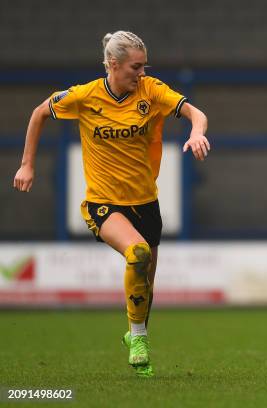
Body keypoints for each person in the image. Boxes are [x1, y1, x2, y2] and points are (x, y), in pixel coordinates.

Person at [13, 31, 210, 378]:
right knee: (138, 253)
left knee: (145, 284)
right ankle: (138, 340)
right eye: (136, 66)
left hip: (146, 203)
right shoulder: (84, 96)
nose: (142, 73)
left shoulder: (152, 91)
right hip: (103, 203)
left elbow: (197, 113)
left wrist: (196, 132)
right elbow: (38, 113)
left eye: (144, 66)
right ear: (114, 65)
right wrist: (27, 164)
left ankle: (136, 331)